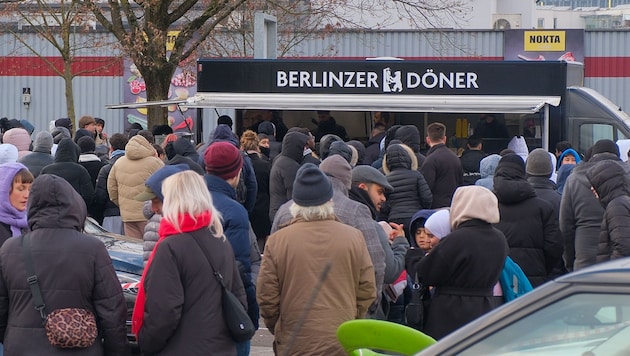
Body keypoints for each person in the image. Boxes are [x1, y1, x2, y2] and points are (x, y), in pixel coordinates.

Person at [0, 174, 129, 355]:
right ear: (74, 204)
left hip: (22, 347)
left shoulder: (10, 249)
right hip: (80, 348)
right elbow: (112, 311)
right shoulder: (93, 249)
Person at [257, 163, 376, 354]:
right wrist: (352, 317)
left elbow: (267, 297)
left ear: (295, 202)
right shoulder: (354, 237)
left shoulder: (277, 241)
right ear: (329, 199)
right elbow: (367, 289)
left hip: (295, 341)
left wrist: (279, 327)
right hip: (342, 339)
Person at [133, 170, 245, 355]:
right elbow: (239, 297)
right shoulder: (219, 239)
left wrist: (146, 343)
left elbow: (164, 312)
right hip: (220, 347)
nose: (154, 208)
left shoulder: (171, 246)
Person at [271, 155, 388, 319]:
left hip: (293, 313)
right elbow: (374, 263)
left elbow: (271, 271)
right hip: (344, 313)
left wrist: (277, 318)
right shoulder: (356, 211)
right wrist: (366, 308)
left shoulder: (284, 210)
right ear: (346, 183)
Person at [417, 186, 508, 340]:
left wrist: (414, 256)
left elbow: (427, 273)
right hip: (485, 307)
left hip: (450, 312)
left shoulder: (457, 239)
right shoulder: (500, 239)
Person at [203, 142, 258, 355]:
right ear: (236, 173)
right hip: (227, 310)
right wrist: (250, 316)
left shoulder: (187, 202)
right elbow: (239, 270)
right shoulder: (234, 211)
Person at [493, 154, 563, 287]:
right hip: (534, 280)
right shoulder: (543, 208)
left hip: (497, 280)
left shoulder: (488, 205)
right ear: (523, 173)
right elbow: (554, 247)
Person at [560, 139, 625, 271]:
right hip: (622, 262)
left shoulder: (574, 179)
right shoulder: (626, 176)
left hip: (585, 257)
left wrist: (570, 262)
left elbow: (566, 226)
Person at [107, 135, 164, 239]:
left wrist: (122, 204)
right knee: (152, 246)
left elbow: (112, 188)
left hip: (127, 215)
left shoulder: (118, 163)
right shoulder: (155, 162)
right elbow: (165, 185)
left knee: (134, 248)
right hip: (150, 213)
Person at [382, 143, 432, 234]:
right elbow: (427, 198)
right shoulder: (416, 175)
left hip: (394, 218)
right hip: (414, 216)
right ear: (408, 158)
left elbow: (383, 205)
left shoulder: (385, 180)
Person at [586, 160, 630, 262]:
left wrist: (609, 274)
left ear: (605, 184)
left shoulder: (616, 206)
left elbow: (623, 247)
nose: (592, 188)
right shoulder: (622, 201)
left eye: (596, 183)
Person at [40, 138, 95, 213]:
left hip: (50, 213)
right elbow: (89, 196)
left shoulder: (46, 170)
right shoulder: (80, 170)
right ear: (75, 153)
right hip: (74, 213)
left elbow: (39, 194)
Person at [240, 130, 272, 251]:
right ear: (257, 145)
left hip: (246, 209)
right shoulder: (265, 165)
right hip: (263, 210)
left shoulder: (241, 164)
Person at [420, 122, 464, 209]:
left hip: (435, 207)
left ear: (428, 139)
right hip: (453, 206)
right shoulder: (455, 158)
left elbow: (426, 188)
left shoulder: (430, 160)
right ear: (444, 139)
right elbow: (460, 182)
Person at [268, 131, 309, 222]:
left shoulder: (279, 159)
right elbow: (293, 195)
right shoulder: (290, 166)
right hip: (286, 215)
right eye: (303, 146)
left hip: (276, 210)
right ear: (297, 146)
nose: (304, 149)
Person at [95, 133, 128, 235]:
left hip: (110, 216)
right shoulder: (134, 166)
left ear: (111, 148)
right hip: (131, 214)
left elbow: (100, 196)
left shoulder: (106, 169)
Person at [0, 163, 33, 246]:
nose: (27, 195)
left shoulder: (31, 222)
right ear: (3, 190)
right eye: (21, 189)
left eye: (30, 189)